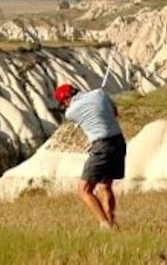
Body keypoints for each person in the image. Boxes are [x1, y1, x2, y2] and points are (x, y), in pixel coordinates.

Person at [54, 83, 127, 230]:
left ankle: (104, 224)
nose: (64, 106)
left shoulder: (71, 112)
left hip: (102, 146)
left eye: (63, 103)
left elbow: (75, 112)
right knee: (105, 186)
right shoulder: (99, 94)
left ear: (66, 99)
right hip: (119, 142)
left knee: (84, 190)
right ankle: (112, 222)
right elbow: (114, 113)